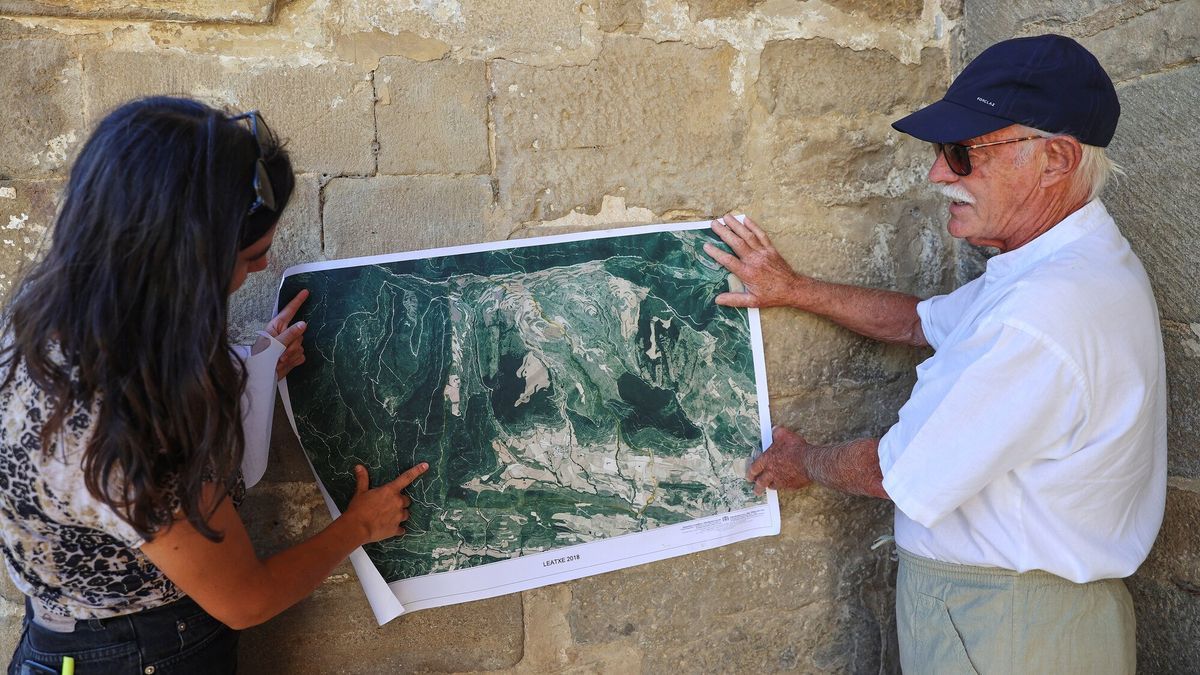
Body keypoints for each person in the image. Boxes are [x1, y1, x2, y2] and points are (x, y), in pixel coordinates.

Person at [706, 35, 1166, 673]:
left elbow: (894, 471)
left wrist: (801, 460)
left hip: (1005, 628)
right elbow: (920, 322)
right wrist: (796, 290)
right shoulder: (1070, 261)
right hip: (1033, 620)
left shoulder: (1040, 312)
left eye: (962, 154)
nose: (938, 174)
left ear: (1055, 158)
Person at [0, 97, 428, 674]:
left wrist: (247, 368)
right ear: (180, 263)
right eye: (249, 257)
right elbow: (245, 600)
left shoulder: (43, 311)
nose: (261, 268)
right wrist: (357, 526)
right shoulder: (127, 421)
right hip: (142, 651)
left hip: (67, 637)